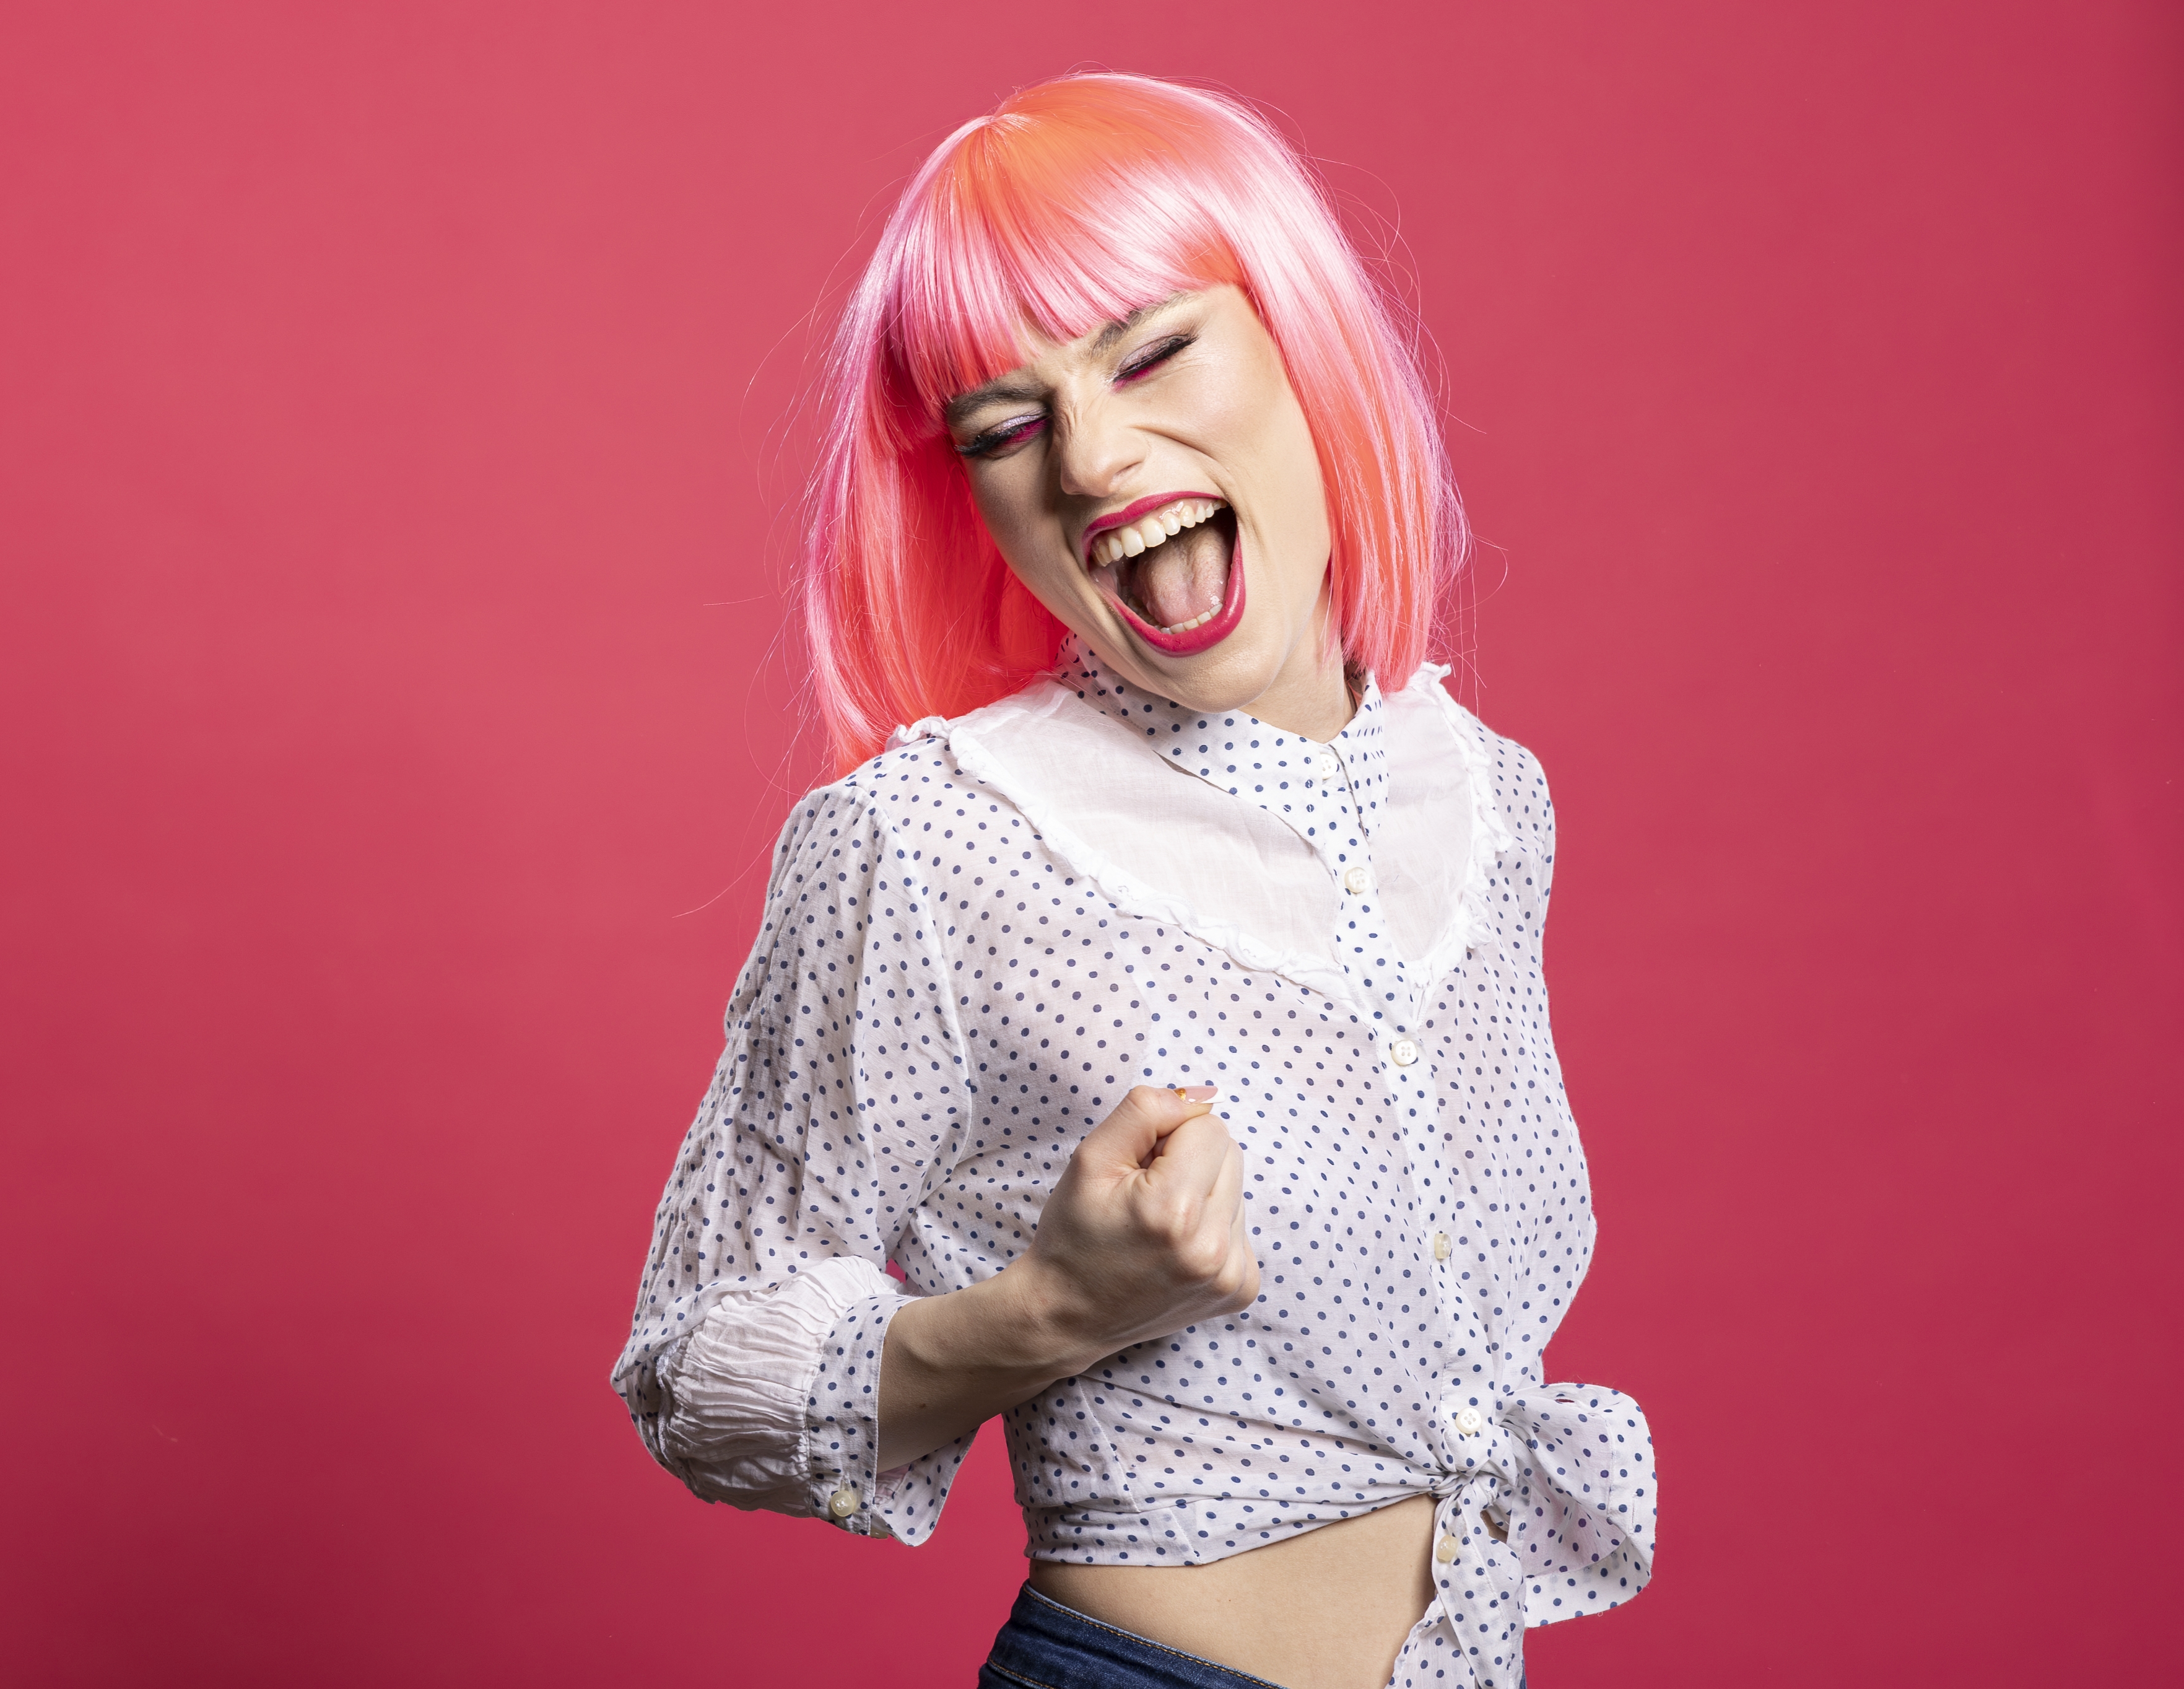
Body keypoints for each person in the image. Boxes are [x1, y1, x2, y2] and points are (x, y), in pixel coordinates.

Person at [614, 72, 1654, 1689]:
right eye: (1003, 429)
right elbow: (694, 1368)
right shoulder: (937, 840)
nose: (1092, 459)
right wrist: (1048, 1308)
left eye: (1151, 349)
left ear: (1300, 337)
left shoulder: (1483, 800)